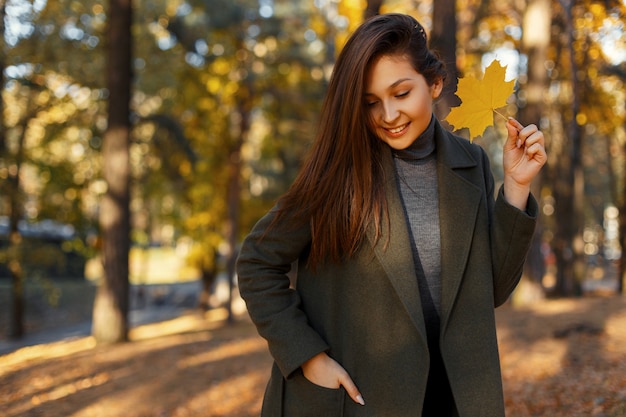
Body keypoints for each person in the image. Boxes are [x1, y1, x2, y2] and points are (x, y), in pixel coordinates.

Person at [236, 13, 546, 417]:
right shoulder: (338, 171)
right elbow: (257, 262)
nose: (388, 115)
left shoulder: (470, 163)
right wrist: (308, 356)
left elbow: (493, 291)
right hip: (361, 399)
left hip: (454, 395)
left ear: (434, 84)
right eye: (370, 102)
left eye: (401, 94)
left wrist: (517, 189)